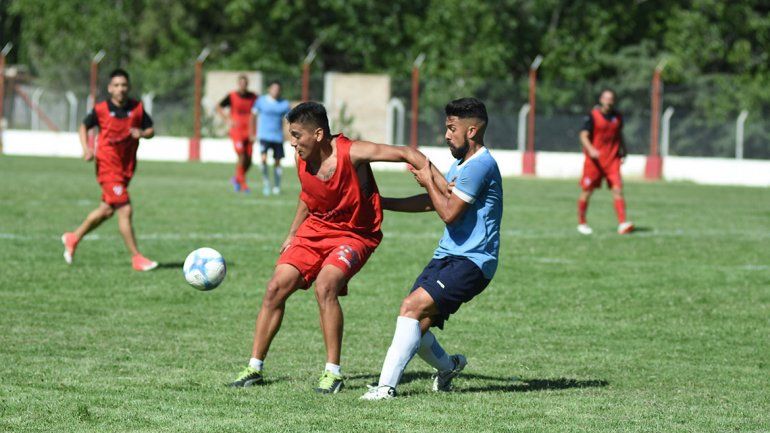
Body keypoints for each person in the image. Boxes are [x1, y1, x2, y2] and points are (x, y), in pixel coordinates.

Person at [228, 102, 446, 394]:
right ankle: (254, 367)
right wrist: (293, 233)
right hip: (314, 230)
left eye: (296, 135)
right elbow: (308, 195)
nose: (292, 142)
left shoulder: (352, 152)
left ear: (318, 134)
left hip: (355, 234)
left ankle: (333, 372)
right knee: (275, 288)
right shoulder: (301, 157)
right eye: (290, 135)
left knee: (325, 285)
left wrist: (441, 184)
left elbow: (408, 153)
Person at [361, 97, 503, 400]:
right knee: (416, 327)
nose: (447, 134)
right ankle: (449, 366)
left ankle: (385, 388)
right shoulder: (463, 165)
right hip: (449, 255)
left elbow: (448, 211)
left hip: (473, 262)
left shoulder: (480, 166)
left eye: (452, 128)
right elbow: (435, 200)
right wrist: (383, 203)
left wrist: (428, 180)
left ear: (472, 131)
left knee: (410, 308)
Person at [61, 68, 158, 271]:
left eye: (123, 85)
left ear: (128, 87)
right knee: (125, 208)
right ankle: (136, 258)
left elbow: (151, 130)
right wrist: (86, 148)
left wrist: (141, 133)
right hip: (107, 166)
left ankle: (73, 237)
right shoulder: (101, 110)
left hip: (125, 169)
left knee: (106, 211)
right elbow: (83, 126)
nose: (120, 89)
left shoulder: (137, 108)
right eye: (116, 85)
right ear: (109, 88)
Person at [577, 89, 634, 235]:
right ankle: (582, 223)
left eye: (611, 99)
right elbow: (583, 135)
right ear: (601, 99)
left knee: (617, 189)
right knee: (587, 191)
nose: (608, 101)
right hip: (594, 162)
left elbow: (619, 135)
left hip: (612, 160)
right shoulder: (592, 116)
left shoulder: (618, 117)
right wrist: (591, 150)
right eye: (606, 98)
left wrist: (624, 150)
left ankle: (622, 223)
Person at [217, 75, 258, 192]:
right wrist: (227, 119)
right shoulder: (232, 96)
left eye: (245, 83)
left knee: (249, 159)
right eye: (241, 83)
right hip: (237, 130)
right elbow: (219, 106)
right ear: (238, 84)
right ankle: (243, 184)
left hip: (249, 130)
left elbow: (258, 111)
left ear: (247, 84)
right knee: (241, 155)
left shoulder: (254, 97)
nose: (243, 85)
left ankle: (237, 178)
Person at [251, 80, 291, 195]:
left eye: (278, 89)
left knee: (277, 162)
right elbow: (253, 115)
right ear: (269, 89)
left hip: (277, 137)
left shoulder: (284, 104)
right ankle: (266, 183)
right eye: (273, 89)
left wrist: (289, 134)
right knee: (263, 159)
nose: (275, 91)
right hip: (264, 136)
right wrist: (252, 132)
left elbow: (289, 120)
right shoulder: (261, 101)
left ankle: (277, 186)